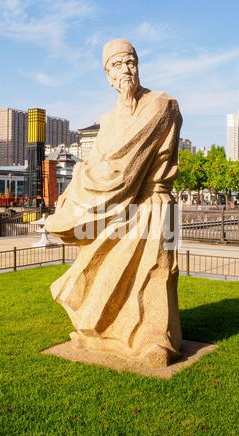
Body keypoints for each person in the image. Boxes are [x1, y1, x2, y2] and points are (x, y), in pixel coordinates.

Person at [46, 39, 183, 367]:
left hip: (154, 205)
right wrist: (71, 195)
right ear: (107, 74)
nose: (126, 70)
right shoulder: (107, 121)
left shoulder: (160, 104)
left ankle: (155, 340)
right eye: (117, 65)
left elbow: (123, 167)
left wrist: (85, 187)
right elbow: (94, 165)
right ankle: (106, 333)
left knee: (155, 274)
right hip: (118, 210)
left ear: (139, 65)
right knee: (103, 275)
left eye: (131, 62)